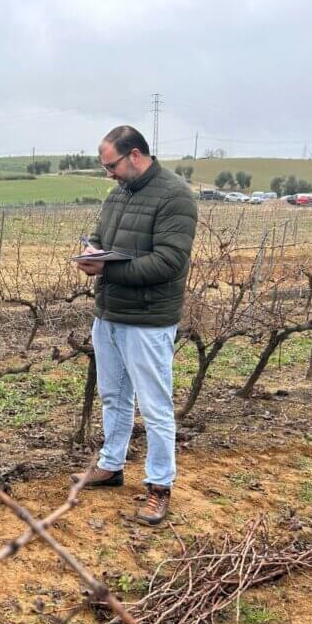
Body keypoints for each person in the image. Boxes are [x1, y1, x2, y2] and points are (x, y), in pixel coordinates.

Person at [71, 125, 196, 525]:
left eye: (112, 165)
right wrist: (91, 253)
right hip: (109, 314)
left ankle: (159, 486)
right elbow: (100, 236)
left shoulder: (175, 197)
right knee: (114, 396)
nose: (109, 173)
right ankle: (111, 465)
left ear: (136, 155)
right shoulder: (119, 193)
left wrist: (108, 269)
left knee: (155, 407)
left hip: (147, 320)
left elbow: (169, 261)